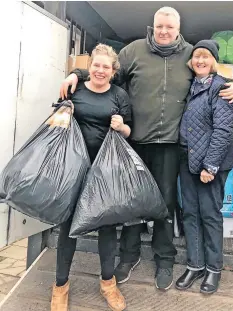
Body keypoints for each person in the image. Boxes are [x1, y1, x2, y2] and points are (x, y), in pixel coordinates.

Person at [59, 7, 233, 291]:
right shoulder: (134, 51)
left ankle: (165, 260)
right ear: (153, 27)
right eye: (159, 27)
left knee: (164, 204)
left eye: (169, 27)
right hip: (135, 142)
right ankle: (128, 256)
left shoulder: (190, 54)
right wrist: (77, 73)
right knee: (132, 202)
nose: (164, 32)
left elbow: (213, 75)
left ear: (178, 28)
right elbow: (107, 71)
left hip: (170, 146)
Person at [51, 44, 131, 311]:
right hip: (74, 170)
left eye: (105, 66)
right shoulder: (76, 89)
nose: (100, 70)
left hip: (105, 171)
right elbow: (56, 124)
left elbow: (130, 132)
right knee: (68, 228)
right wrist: (63, 114)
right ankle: (60, 286)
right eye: (96, 65)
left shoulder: (119, 95)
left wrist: (122, 127)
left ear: (112, 71)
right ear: (89, 67)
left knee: (107, 228)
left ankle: (108, 283)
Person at [176, 40, 233, 295]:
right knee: (190, 213)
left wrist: (210, 166)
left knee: (210, 216)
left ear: (213, 61)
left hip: (211, 164)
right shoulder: (189, 86)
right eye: (196, 56)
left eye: (206, 56)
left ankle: (213, 269)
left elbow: (223, 130)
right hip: (188, 161)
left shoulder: (221, 87)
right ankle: (195, 264)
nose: (200, 60)